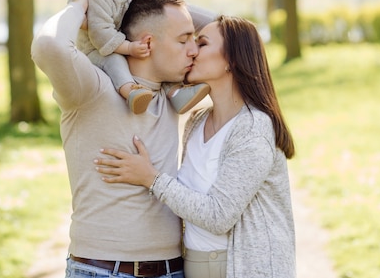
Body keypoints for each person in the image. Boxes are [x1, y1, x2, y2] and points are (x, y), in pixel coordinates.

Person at [94, 15, 297, 278]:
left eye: (201, 44)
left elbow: (218, 216)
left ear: (231, 60)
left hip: (241, 269)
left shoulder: (253, 128)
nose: (191, 51)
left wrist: (151, 179)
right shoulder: (197, 121)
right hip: (194, 266)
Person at [31, 0, 214, 278]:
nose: (194, 50)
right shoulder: (93, 88)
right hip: (102, 270)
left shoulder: (170, 94)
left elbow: (228, 28)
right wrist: (82, 5)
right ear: (148, 42)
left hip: (174, 269)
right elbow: (48, 45)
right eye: (184, 40)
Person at [70, 0, 209, 114]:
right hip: (98, 49)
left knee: (161, 58)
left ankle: (176, 92)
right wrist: (129, 48)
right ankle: (130, 91)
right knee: (115, 60)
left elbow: (148, 11)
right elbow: (100, 32)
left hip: (125, 40)